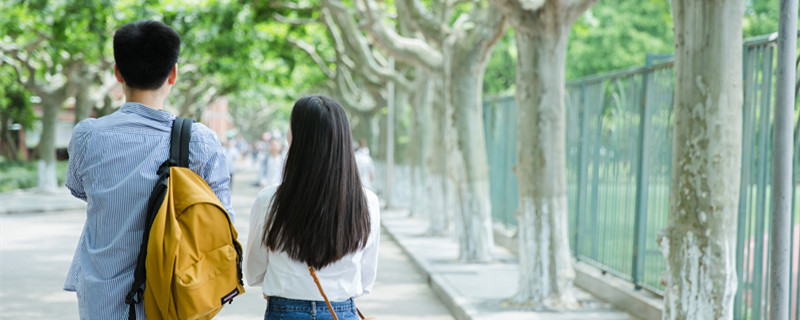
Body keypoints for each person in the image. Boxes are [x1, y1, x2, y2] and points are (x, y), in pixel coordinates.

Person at [63, 20, 234, 319]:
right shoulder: (200, 142)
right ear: (174, 74)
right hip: (173, 301)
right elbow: (222, 221)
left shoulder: (88, 135)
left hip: (102, 303)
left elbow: (79, 188)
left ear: (118, 72)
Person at [244, 95, 380, 320]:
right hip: (342, 312)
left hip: (284, 312)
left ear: (296, 138)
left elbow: (254, 273)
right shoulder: (367, 203)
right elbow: (366, 281)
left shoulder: (269, 200)